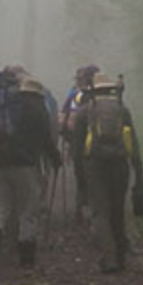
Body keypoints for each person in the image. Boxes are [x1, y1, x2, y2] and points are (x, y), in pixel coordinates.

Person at [0, 73, 61, 279]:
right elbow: (45, 138)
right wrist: (55, 158)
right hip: (25, 164)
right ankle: (26, 260)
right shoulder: (36, 107)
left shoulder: (0, 104)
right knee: (27, 209)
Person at [71, 72, 143, 273]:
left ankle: (109, 257)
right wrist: (139, 175)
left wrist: (80, 179)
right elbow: (134, 145)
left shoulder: (84, 112)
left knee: (100, 211)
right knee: (117, 208)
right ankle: (121, 254)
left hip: (94, 166)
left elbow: (77, 151)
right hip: (120, 165)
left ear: (92, 90)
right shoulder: (123, 110)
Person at [59, 64, 99, 223]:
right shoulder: (106, 94)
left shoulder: (75, 94)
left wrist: (64, 135)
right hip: (99, 143)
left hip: (79, 142)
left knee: (81, 175)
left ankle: (80, 207)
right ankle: (96, 208)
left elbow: (65, 116)